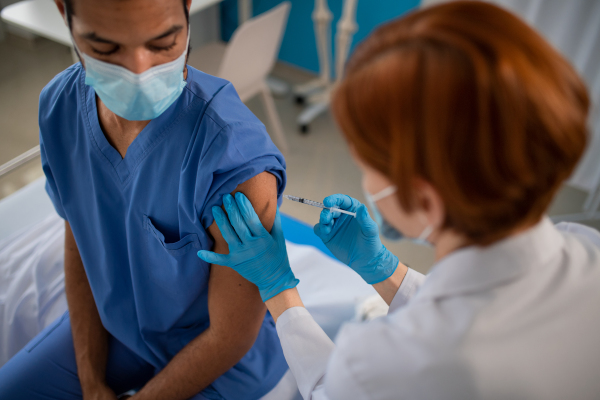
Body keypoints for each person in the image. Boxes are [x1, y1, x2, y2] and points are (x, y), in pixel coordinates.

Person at [197, 2, 600, 399]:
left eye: (369, 164)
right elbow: (479, 307)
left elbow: (330, 390)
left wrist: (278, 287)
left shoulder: (392, 361)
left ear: (426, 199)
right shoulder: (587, 248)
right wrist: (385, 270)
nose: (366, 179)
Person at [0, 0, 290, 399]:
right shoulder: (60, 109)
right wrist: (91, 382)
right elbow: (81, 245)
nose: (139, 71)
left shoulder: (234, 157)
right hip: (119, 330)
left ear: (188, 8)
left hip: (221, 363)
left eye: (163, 43)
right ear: (64, 14)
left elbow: (231, 336)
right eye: (105, 49)